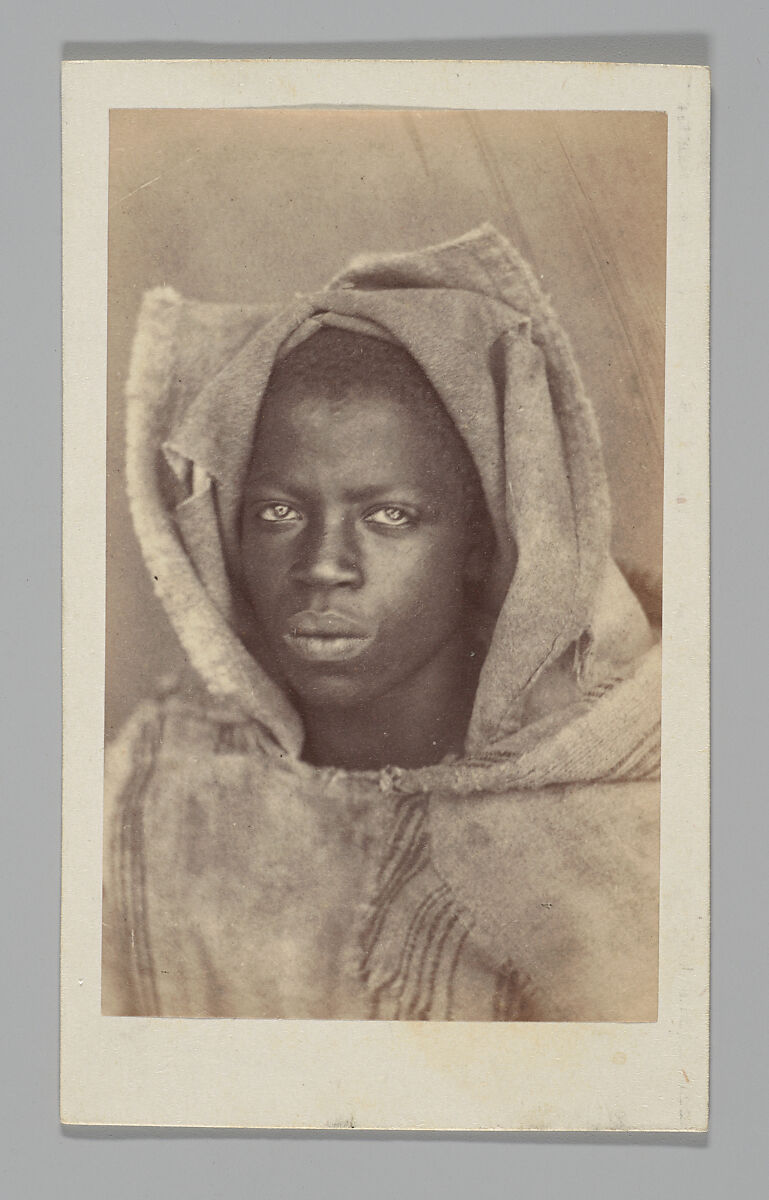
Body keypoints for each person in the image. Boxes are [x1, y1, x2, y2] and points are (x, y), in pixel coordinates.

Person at [102, 224, 660, 1021]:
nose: (325, 563)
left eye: (391, 516)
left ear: (477, 543)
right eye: (279, 511)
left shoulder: (625, 827)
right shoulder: (159, 780)